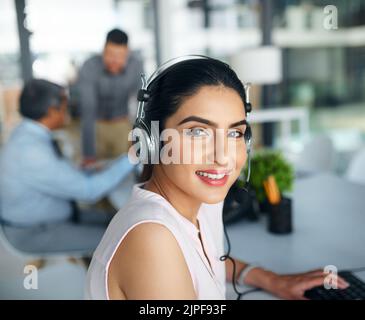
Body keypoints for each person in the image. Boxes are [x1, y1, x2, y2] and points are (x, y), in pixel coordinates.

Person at [85, 56, 348, 300]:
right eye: (198, 132)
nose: (223, 157)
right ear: (152, 141)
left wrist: (272, 280)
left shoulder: (203, 201)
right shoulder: (152, 237)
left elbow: (207, 259)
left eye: (235, 133)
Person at [0, 79, 134, 254]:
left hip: (52, 218)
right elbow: (89, 192)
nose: (68, 111)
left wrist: (81, 170)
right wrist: (132, 158)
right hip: (36, 232)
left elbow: (51, 173)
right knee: (126, 240)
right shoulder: (31, 151)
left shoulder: (25, 133)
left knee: (125, 221)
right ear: (51, 111)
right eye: (65, 106)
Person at [77, 28, 143, 165]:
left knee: (125, 168)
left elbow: (141, 105)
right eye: (110, 54)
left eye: (120, 56)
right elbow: (88, 108)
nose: (114, 60)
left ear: (127, 53)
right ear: (103, 50)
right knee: (94, 169)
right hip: (95, 124)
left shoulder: (135, 66)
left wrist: (140, 142)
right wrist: (88, 153)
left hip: (122, 123)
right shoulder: (89, 66)